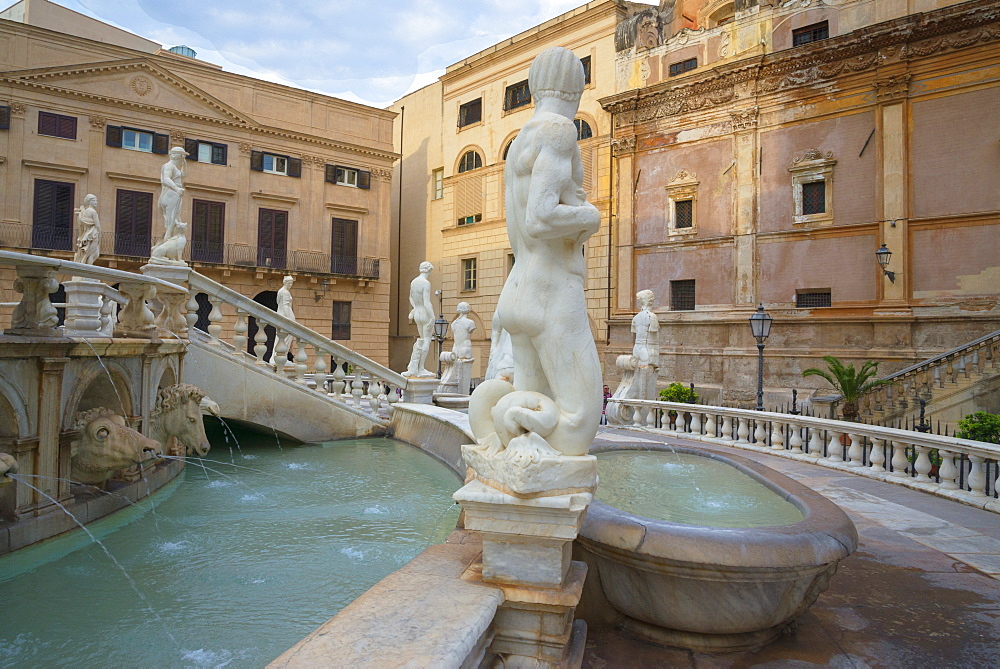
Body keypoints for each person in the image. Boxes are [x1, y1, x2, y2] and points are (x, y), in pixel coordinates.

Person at [489, 46, 603, 457]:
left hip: (519, 287)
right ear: (578, 86)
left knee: (527, 412)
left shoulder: (519, 141)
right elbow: (541, 217)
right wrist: (590, 216)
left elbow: (521, 222)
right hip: (551, 288)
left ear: (535, 88)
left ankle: (515, 484)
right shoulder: (559, 129)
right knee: (581, 422)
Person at [405, 261, 435, 377]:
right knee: (426, 340)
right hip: (425, 313)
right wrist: (432, 317)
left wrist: (414, 309)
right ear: (429, 270)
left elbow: (410, 297)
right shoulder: (425, 283)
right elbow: (427, 302)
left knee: (421, 340)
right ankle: (421, 367)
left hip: (417, 312)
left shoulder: (414, 282)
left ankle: (415, 366)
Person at [158, 147, 187, 243]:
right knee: (172, 220)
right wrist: (176, 188)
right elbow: (165, 179)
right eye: (183, 157)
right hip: (171, 194)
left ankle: (172, 239)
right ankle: (168, 240)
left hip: (176, 194)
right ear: (178, 156)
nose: (183, 159)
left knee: (176, 218)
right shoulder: (168, 166)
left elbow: (183, 175)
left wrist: (185, 165)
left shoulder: (175, 168)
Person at [73, 194, 101, 265]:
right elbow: (97, 225)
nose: (96, 202)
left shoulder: (84, 212)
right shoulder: (93, 212)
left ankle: (84, 266)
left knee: (89, 254)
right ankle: (88, 269)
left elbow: (82, 223)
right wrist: (100, 235)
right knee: (92, 254)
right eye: (94, 200)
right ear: (89, 202)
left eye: (96, 200)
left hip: (85, 235)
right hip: (92, 235)